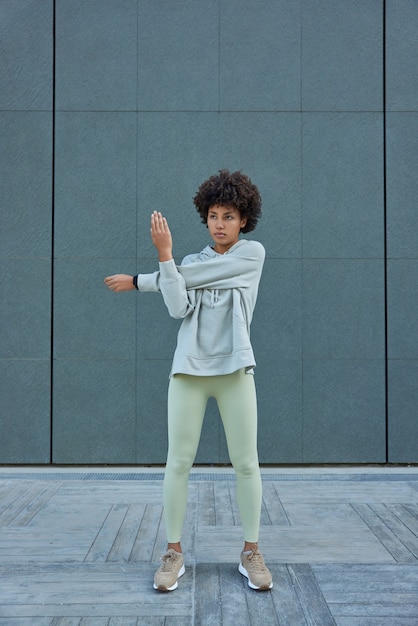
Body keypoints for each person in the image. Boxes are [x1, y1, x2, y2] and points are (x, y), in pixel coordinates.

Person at [104, 169, 272, 592]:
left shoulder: (252, 254)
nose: (220, 223)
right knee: (177, 463)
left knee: (246, 463)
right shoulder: (189, 263)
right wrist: (168, 261)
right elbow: (178, 306)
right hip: (189, 372)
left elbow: (191, 280)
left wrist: (148, 277)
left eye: (229, 216)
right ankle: (174, 553)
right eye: (214, 214)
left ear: (244, 220)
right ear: (206, 216)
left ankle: (251, 551)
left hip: (235, 371)